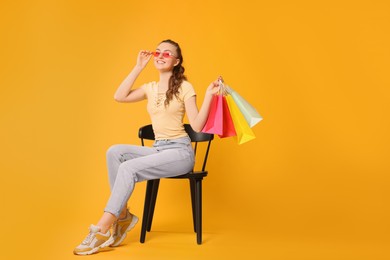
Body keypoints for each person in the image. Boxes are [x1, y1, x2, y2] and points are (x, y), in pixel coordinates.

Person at [73, 39, 220, 255]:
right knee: (114, 152)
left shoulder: (185, 87)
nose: (160, 55)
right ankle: (123, 216)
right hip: (159, 149)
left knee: (128, 168)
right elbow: (119, 96)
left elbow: (197, 125)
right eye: (157, 52)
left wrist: (208, 95)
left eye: (167, 53)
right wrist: (138, 67)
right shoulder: (150, 88)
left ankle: (102, 228)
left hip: (179, 152)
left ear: (176, 61)